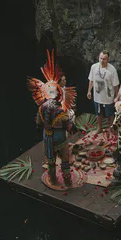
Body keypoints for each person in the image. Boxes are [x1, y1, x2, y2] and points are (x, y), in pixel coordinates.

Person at [28, 50, 77, 187]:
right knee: (65, 159)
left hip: (47, 137)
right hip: (60, 137)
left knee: (50, 160)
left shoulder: (41, 108)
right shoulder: (60, 110)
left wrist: (44, 127)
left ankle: (53, 179)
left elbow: (38, 123)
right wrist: (72, 122)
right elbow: (69, 126)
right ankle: (67, 179)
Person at [87, 50, 119, 130]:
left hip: (108, 97)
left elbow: (116, 85)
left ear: (108, 59)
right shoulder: (94, 67)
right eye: (100, 58)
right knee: (98, 113)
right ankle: (99, 128)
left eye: (104, 59)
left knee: (110, 114)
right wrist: (89, 91)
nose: (101, 60)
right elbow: (91, 80)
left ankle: (110, 128)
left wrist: (117, 96)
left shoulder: (112, 69)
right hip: (97, 96)